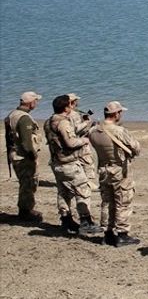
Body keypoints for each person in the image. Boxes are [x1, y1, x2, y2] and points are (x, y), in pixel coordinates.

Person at [44, 94, 102, 236]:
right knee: (83, 191)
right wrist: (84, 141)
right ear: (66, 107)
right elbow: (70, 143)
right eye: (70, 104)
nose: (72, 106)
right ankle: (86, 222)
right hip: (68, 163)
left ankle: (66, 219)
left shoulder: (48, 121)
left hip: (56, 162)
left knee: (63, 192)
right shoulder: (63, 122)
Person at [88, 101, 143, 247]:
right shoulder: (118, 131)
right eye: (120, 112)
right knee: (122, 201)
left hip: (103, 169)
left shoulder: (93, 131)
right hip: (119, 169)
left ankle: (107, 233)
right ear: (116, 114)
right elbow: (137, 148)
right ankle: (122, 234)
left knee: (107, 202)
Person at [5, 91, 45, 222]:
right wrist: (33, 156)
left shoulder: (12, 114)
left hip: (15, 153)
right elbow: (27, 143)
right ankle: (25, 211)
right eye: (36, 101)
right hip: (23, 156)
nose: (37, 103)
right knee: (28, 184)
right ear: (31, 102)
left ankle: (26, 209)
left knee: (25, 183)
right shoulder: (24, 118)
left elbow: (10, 137)